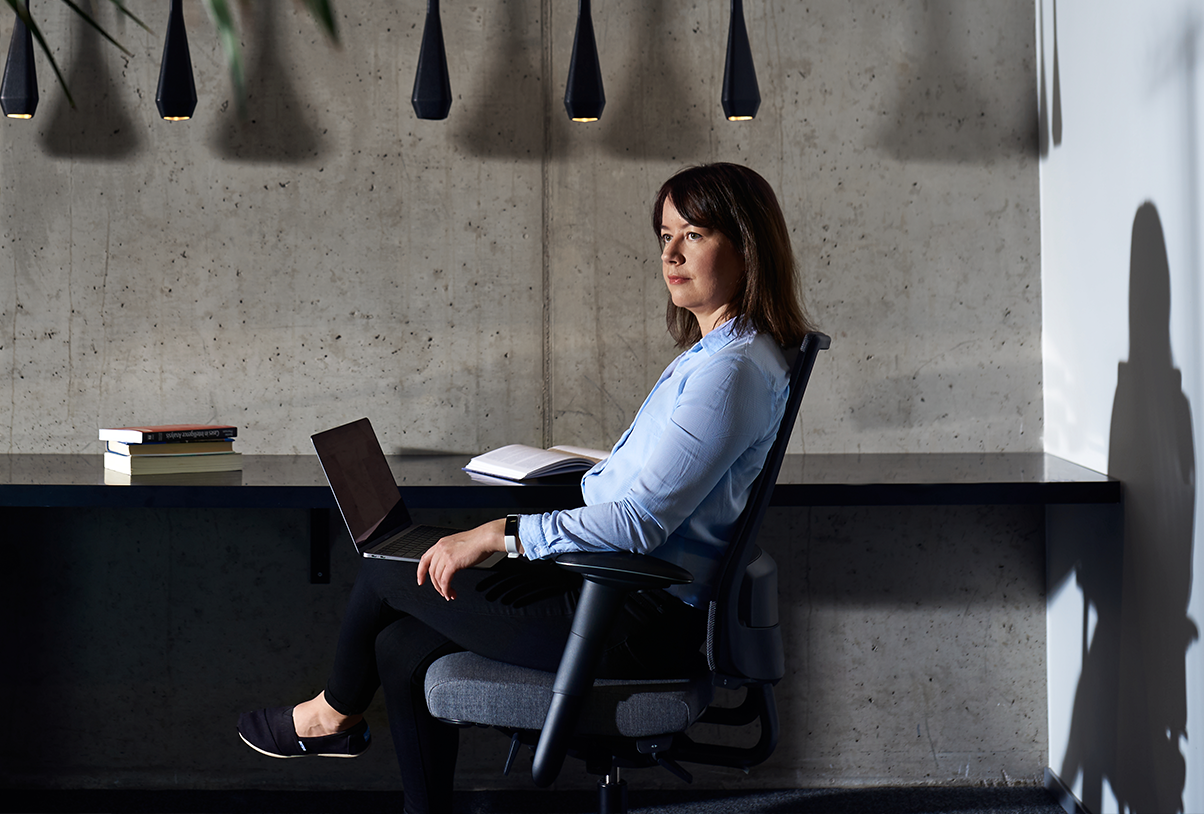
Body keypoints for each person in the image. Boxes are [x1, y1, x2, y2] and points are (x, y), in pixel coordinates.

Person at [238, 162, 814, 814]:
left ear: (747, 245)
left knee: (385, 566)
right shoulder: (725, 354)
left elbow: (639, 524)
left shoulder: (730, 372)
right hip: (618, 589)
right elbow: (665, 489)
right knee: (401, 643)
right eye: (663, 235)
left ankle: (328, 718)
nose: (670, 255)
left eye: (694, 234)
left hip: (630, 618)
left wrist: (497, 535)